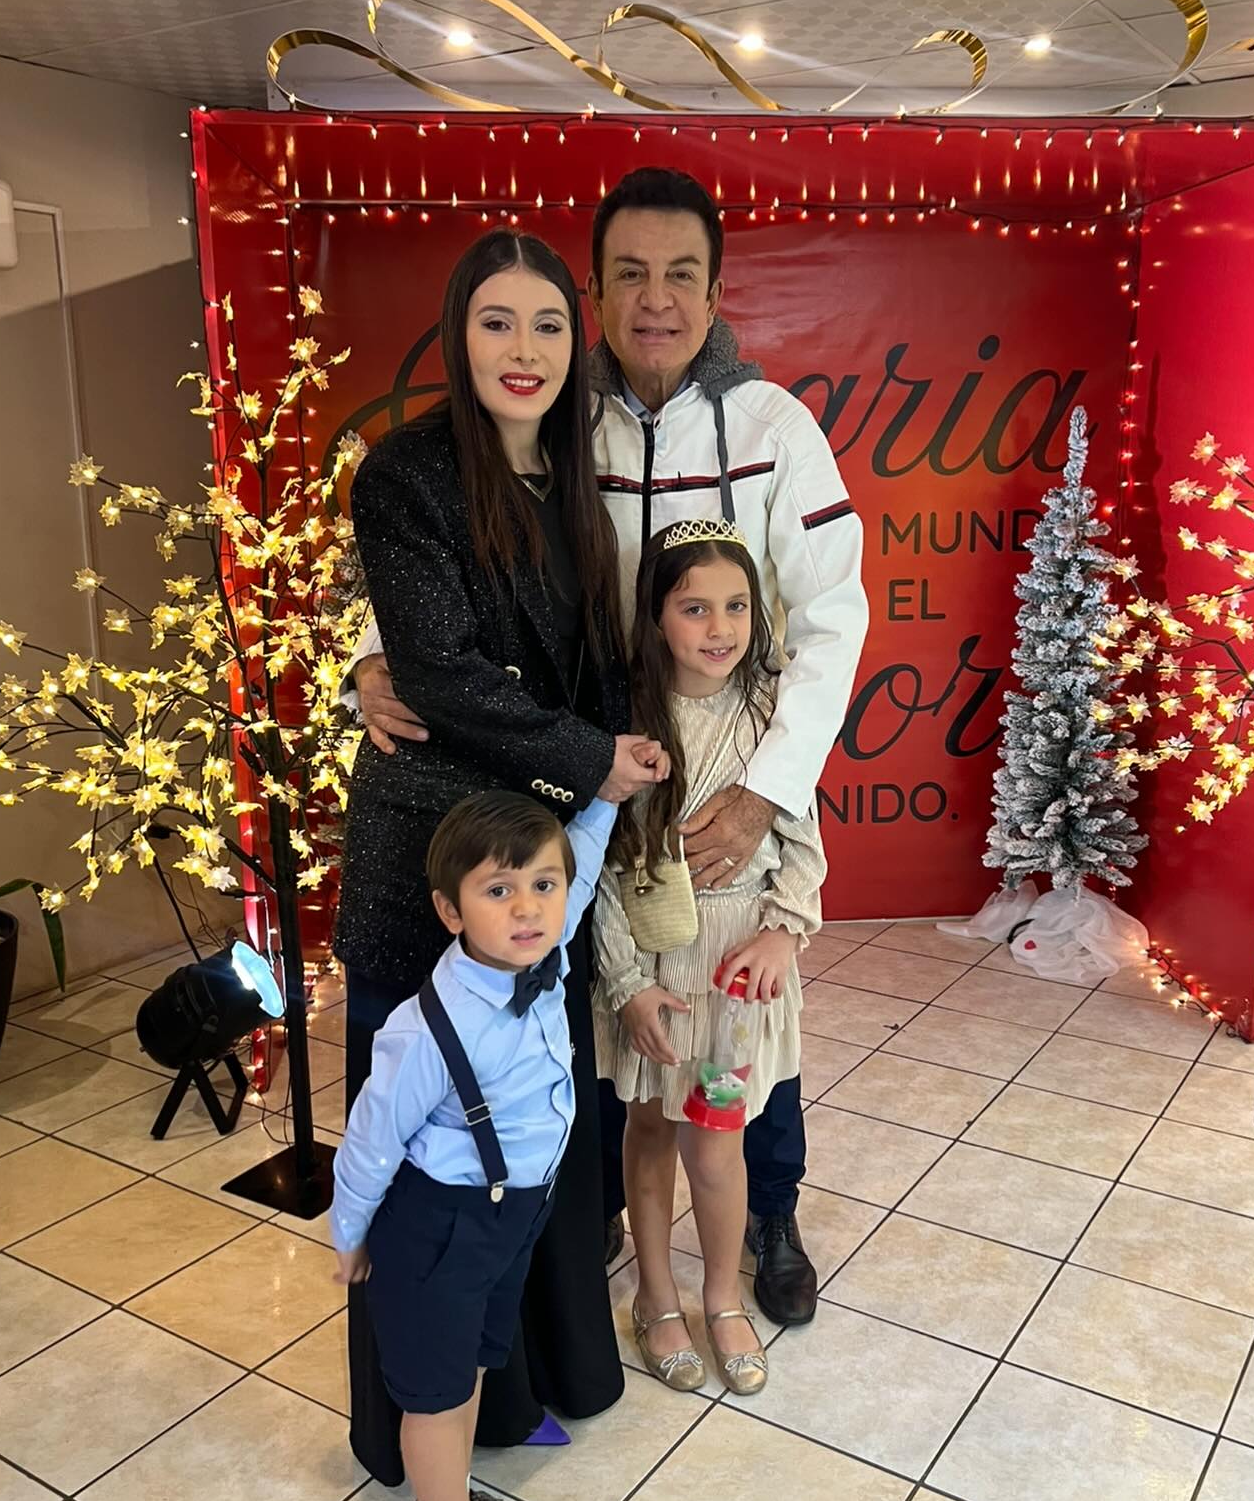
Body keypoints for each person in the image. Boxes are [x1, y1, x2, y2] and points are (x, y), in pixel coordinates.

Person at [351, 167, 867, 1326]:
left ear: (716, 291)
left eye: (681, 275)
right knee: (611, 1015)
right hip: (579, 781)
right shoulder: (550, 417)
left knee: (739, 1011)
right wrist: (368, 666)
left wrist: (767, 792)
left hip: (726, 773)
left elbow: (835, 620)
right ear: (594, 291)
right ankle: (600, 1224)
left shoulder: (775, 428)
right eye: (629, 274)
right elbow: (446, 570)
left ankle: (770, 1212)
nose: (656, 299)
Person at [337, 228, 666, 1484]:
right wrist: (590, 757)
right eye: (495, 322)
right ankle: (418, 1426)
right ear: (456, 334)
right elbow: (436, 669)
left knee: (533, 1136)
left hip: (543, 870)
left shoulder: (579, 471)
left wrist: (614, 764)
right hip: (435, 863)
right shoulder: (406, 473)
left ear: (575, 340)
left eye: (545, 325)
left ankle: (535, 1382)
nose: (522, 350)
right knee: (433, 1155)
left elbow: (595, 656)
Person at [332, 787, 616, 1501]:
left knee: (477, 1365)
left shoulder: (546, 957)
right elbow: (371, 1139)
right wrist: (349, 1233)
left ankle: (446, 1498)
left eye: (542, 885)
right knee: (437, 1392)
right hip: (439, 1228)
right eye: (499, 890)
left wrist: (607, 797)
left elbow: (582, 868)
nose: (528, 908)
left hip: (509, 1218)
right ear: (450, 911)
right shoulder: (428, 1028)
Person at [594, 520, 825, 1397]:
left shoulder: (771, 717)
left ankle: (722, 1295)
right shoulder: (624, 722)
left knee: (719, 1142)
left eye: (736, 607)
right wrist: (626, 983)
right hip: (654, 972)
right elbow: (600, 865)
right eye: (694, 608)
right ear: (657, 616)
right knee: (650, 1129)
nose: (719, 628)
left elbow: (803, 840)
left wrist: (782, 931)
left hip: (732, 976)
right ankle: (657, 1297)